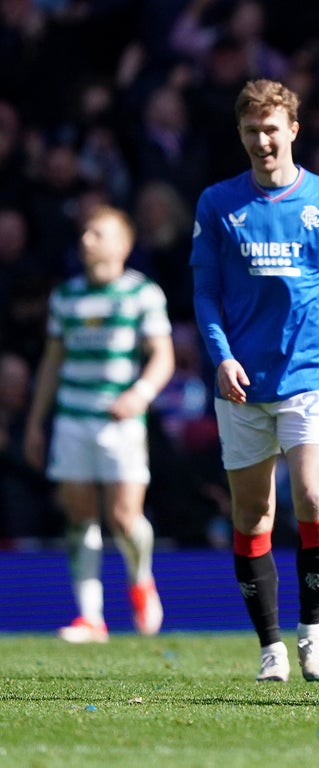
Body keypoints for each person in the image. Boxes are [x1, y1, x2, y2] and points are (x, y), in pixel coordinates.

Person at [190, 78, 319, 682]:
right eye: (251, 131)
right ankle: (269, 646)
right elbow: (206, 293)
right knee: (253, 516)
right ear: (240, 135)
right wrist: (220, 354)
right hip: (241, 384)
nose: (262, 140)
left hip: (310, 379)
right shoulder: (217, 203)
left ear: (293, 129)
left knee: (315, 498)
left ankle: (312, 635)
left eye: (272, 129)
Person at [23, 205, 175, 643]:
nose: (87, 239)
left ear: (123, 244)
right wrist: (37, 421)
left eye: (98, 233)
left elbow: (162, 356)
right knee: (80, 516)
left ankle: (140, 580)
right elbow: (53, 362)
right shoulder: (66, 296)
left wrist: (139, 394)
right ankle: (91, 617)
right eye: (85, 232)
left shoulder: (142, 293)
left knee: (125, 518)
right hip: (73, 418)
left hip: (120, 422)